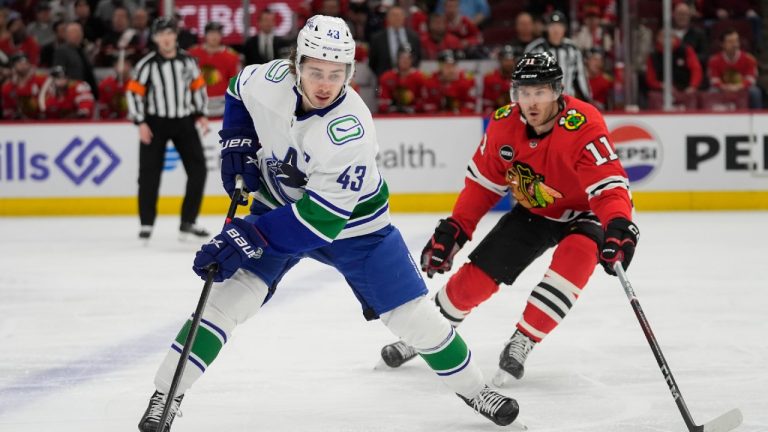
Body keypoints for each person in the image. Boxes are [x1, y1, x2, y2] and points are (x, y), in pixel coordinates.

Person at [136, 15, 520, 432]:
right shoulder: (270, 80)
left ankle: (475, 390)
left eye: (336, 74)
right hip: (279, 206)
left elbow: (318, 221)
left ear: (350, 73)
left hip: (356, 229)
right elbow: (237, 90)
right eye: (316, 71)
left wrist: (249, 236)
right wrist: (237, 141)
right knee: (226, 301)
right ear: (296, 64)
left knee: (413, 317)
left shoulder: (350, 131)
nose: (325, 84)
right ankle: (166, 395)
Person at [379, 51, 639, 388]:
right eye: (524, 92)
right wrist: (457, 228)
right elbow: (482, 186)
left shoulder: (583, 123)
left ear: (557, 91)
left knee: (574, 260)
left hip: (586, 213)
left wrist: (618, 223)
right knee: (477, 278)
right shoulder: (504, 124)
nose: (531, 102)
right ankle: (427, 335)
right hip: (535, 210)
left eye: (540, 92)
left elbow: (608, 185)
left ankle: (523, 340)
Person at [126, 17, 210, 241]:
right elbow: (133, 93)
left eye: (169, 33)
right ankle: (146, 223)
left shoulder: (188, 62)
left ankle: (188, 221)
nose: (166, 38)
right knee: (149, 174)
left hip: (184, 121)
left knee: (198, 170)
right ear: (155, 38)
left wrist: (201, 114)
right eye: (161, 34)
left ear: (175, 36)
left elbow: (198, 87)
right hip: (155, 123)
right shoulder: (147, 64)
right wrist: (140, 122)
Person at [525, 10, 592, 103]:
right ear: (547, 28)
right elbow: (526, 77)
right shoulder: (534, 49)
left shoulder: (573, 49)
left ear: (565, 28)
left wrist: (588, 99)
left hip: (567, 101)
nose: (556, 30)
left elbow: (581, 78)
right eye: (552, 26)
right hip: (541, 103)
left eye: (559, 26)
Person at [188, 21, 241, 116]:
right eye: (211, 33)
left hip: (222, 105)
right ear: (205, 35)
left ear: (221, 36)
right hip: (197, 103)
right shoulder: (192, 54)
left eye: (217, 33)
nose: (214, 37)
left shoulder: (231, 57)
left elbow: (235, 84)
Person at [707, 28, 762, 109]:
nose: (734, 45)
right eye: (730, 42)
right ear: (722, 44)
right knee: (712, 91)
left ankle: (757, 115)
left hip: (742, 87)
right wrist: (724, 87)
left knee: (755, 92)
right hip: (723, 87)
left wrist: (739, 86)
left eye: (736, 41)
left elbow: (751, 78)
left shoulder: (749, 59)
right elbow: (714, 79)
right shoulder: (714, 60)